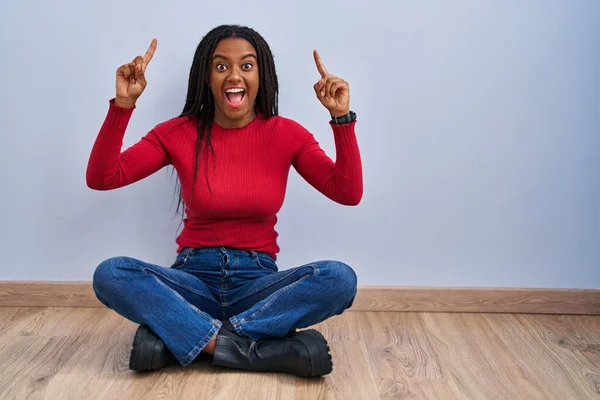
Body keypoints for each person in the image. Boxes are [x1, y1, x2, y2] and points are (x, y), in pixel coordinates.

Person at [87, 24, 363, 378]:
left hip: (257, 285)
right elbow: (103, 178)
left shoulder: (287, 134)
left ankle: (184, 340)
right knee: (111, 273)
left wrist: (341, 118)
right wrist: (123, 105)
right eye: (221, 66)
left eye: (247, 66)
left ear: (261, 75)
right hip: (192, 283)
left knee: (339, 278)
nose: (234, 75)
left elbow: (348, 192)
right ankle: (250, 349)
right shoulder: (178, 132)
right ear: (207, 76)